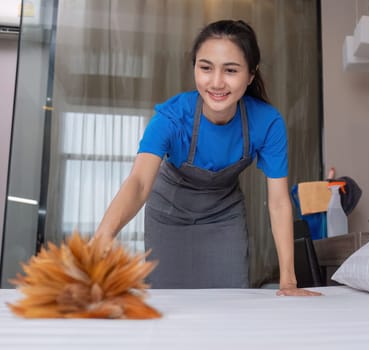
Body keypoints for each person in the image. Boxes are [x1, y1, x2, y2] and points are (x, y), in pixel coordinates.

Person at [94, 19, 321, 296]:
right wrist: (104, 235)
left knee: (228, 302)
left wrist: (288, 281)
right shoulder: (171, 117)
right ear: (194, 68)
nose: (216, 82)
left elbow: (278, 202)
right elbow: (140, 183)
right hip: (168, 215)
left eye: (231, 70)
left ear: (250, 75)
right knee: (169, 303)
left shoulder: (267, 122)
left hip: (223, 216)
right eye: (205, 68)